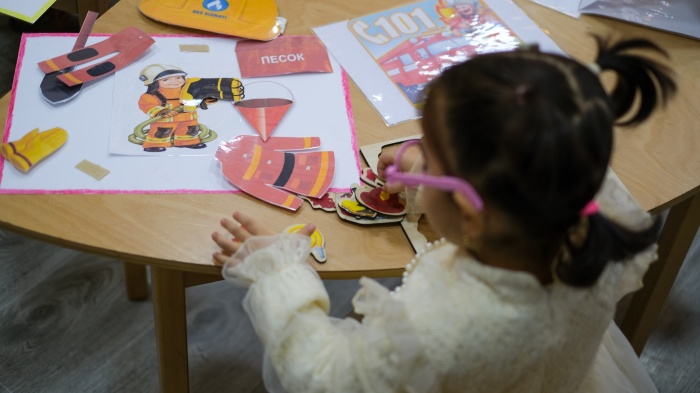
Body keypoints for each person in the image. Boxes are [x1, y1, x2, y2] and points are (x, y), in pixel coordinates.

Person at [211, 36, 676, 392]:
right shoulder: (583, 203)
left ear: (473, 217)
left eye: (429, 155)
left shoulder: (438, 327)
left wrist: (278, 271)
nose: (413, 158)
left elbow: (323, 374)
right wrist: (424, 169)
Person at [137, 64, 208, 152]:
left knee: (190, 131)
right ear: (153, 83)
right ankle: (154, 145)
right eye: (165, 79)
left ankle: (188, 142)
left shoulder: (188, 91)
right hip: (166, 121)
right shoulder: (152, 96)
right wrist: (161, 111)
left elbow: (195, 99)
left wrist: (200, 102)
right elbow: (147, 105)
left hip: (188, 119)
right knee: (161, 133)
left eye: (178, 78)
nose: (175, 81)